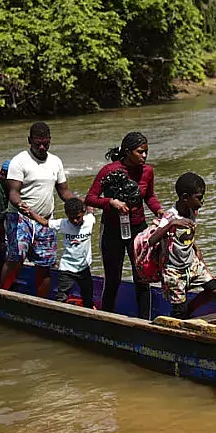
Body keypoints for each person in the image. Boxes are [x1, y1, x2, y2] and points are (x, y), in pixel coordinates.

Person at [84, 132, 165, 317]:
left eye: (146, 152)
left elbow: (149, 196)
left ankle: (144, 320)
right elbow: (91, 198)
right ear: (128, 152)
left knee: (142, 278)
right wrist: (110, 202)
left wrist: (159, 211)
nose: (144, 156)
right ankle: (108, 317)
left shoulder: (147, 171)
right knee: (113, 278)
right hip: (113, 230)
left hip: (138, 230)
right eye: (140, 152)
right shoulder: (109, 170)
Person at [1, 123, 72, 298]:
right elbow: (13, 192)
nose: (42, 147)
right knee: (15, 258)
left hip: (45, 220)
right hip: (20, 217)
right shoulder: (19, 161)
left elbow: (64, 191)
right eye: (37, 144)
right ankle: (1, 293)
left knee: (45, 264)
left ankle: (43, 302)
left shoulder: (55, 162)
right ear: (29, 141)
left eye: (45, 144)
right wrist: (21, 206)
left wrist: (82, 203)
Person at [161, 173, 216, 319]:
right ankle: (176, 327)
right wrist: (172, 224)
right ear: (185, 197)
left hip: (190, 263)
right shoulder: (170, 216)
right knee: (178, 312)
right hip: (173, 269)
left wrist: (195, 247)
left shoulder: (192, 211)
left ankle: (188, 310)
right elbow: (151, 240)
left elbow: (185, 235)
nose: (202, 201)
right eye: (199, 198)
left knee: (214, 289)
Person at [51, 197, 97, 307]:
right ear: (67, 215)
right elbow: (45, 222)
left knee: (88, 295)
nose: (75, 221)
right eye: (72, 218)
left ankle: (89, 310)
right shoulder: (63, 224)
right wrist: (30, 213)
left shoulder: (89, 220)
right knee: (61, 297)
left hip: (84, 268)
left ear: (83, 212)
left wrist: (88, 200)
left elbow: (91, 209)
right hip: (67, 267)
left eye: (78, 217)